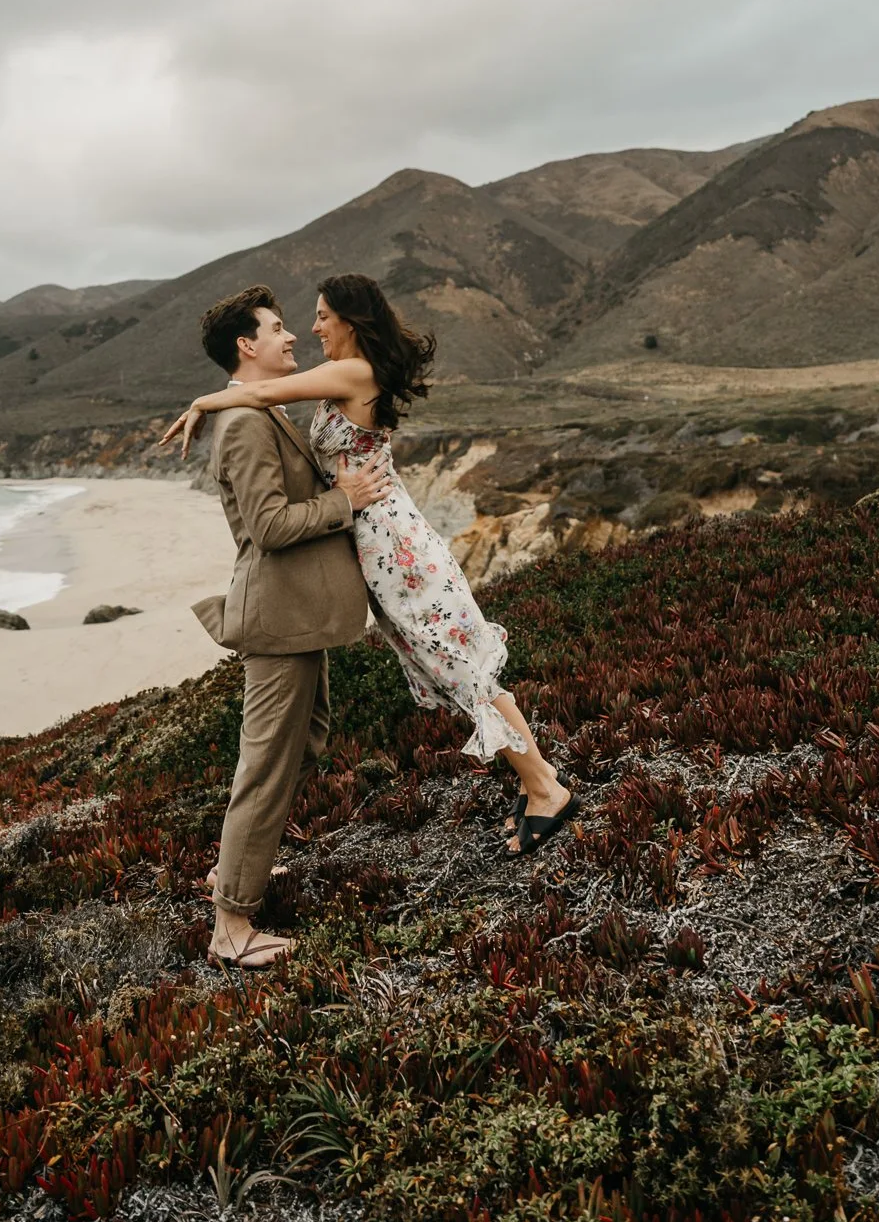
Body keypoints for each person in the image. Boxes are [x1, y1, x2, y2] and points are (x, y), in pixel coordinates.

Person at [163, 273, 575, 858]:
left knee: (460, 664)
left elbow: (257, 395)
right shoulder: (345, 377)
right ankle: (541, 782)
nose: (313, 328)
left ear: (351, 322)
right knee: (447, 665)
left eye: (323, 317)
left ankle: (544, 789)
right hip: (376, 546)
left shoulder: (354, 373)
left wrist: (205, 400)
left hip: (394, 544)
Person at [181, 285, 392, 970]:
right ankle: (230, 926)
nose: (291, 336)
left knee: (305, 746)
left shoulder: (260, 413)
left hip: (302, 618)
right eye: (276, 329)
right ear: (247, 345)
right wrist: (343, 501)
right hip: (277, 618)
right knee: (267, 768)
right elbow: (269, 528)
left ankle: (235, 868)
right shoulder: (244, 426)